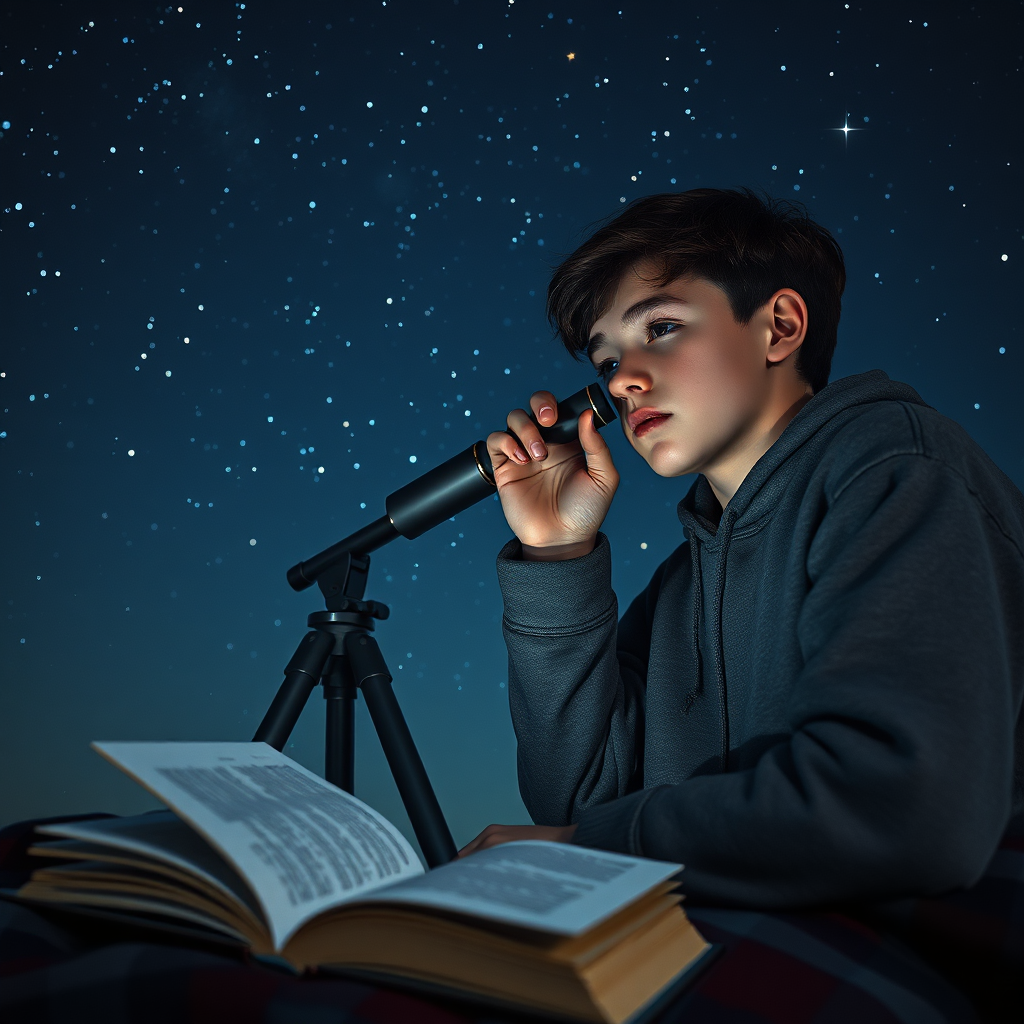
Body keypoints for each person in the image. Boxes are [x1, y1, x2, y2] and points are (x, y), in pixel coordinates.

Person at [458, 188, 1024, 910]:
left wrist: (593, 849)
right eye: (605, 364)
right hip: (731, 925)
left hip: (918, 950)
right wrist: (558, 557)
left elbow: (900, 809)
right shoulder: (680, 585)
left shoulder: (896, 473)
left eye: (660, 327)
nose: (624, 380)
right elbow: (577, 797)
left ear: (779, 327)